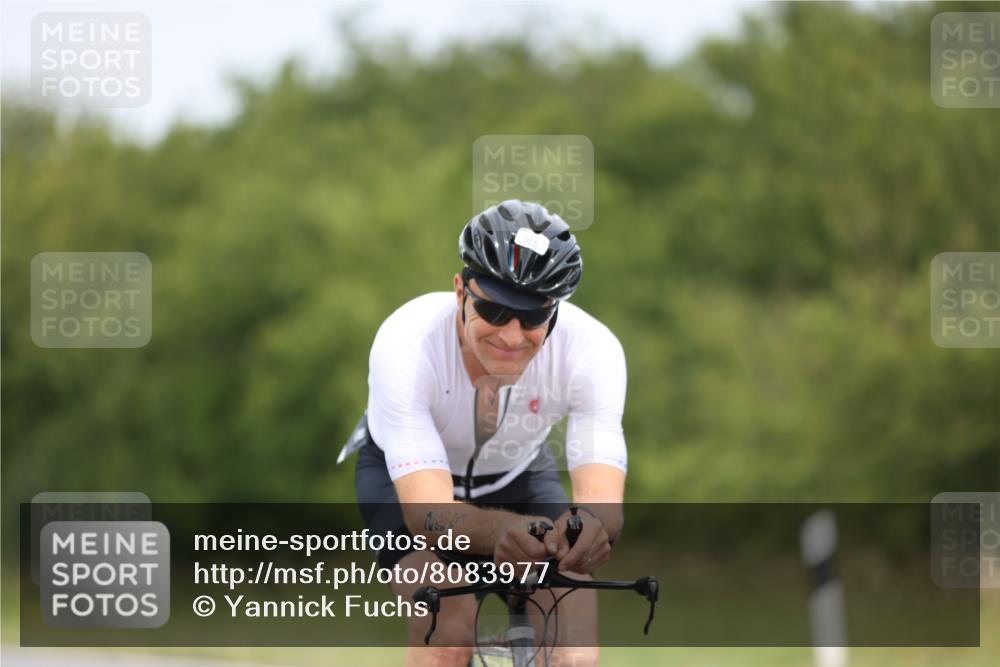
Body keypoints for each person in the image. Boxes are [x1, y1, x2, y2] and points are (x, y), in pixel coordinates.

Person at [347, 199, 627, 666]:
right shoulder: (407, 342)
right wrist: (504, 529)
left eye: (534, 317)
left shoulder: (592, 351)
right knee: (449, 628)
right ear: (460, 291)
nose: (513, 336)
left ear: (555, 310)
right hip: (403, 483)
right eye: (494, 311)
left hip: (518, 475)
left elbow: (601, 495)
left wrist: (593, 527)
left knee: (573, 648)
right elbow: (426, 513)